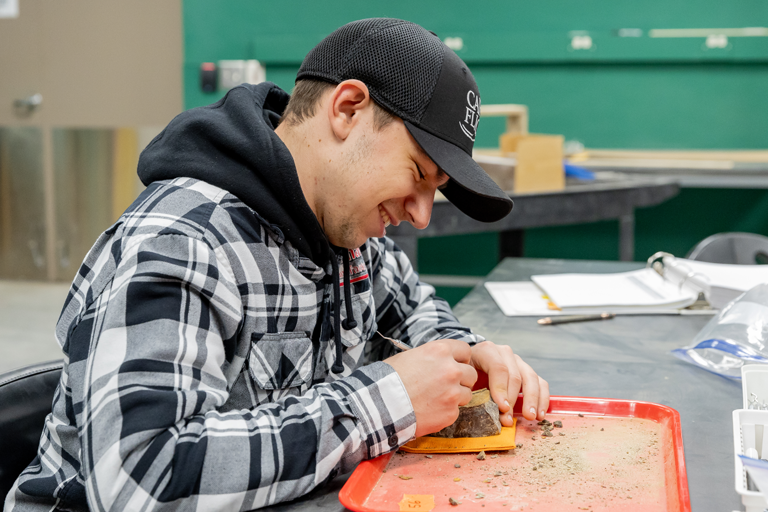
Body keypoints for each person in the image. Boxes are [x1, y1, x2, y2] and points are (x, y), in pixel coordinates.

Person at [5, 18, 548, 511]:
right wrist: (384, 402)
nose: (423, 215)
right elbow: (140, 478)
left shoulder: (348, 237)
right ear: (347, 109)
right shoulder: (182, 240)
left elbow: (411, 313)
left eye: (438, 191)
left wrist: (468, 355)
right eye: (417, 173)